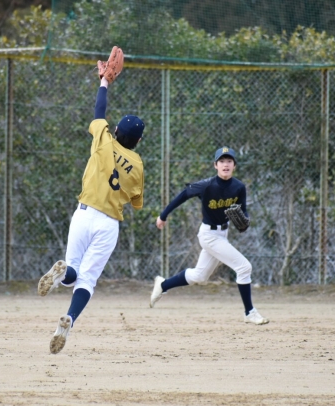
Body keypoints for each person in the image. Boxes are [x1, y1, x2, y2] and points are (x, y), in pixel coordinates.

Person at [37, 62, 145, 354]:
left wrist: (104, 82)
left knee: (71, 272)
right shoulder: (137, 164)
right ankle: (69, 319)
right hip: (109, 224)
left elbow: (99, 111)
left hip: (84, 214)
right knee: (87, 280)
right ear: (137, 141)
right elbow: (137, 202)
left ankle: (61, 272)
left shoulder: (103, 139)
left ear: (116, 130)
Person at [149, 146, 269, 325]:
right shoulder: (206, 185)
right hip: (209, 235)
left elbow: (243, 211)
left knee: (200, 276)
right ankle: (249, 312)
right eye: (222, 161)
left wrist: (245, 221)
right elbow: (183, 195)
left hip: (223, 234)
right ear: (215, 165)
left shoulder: (239, 187)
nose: (225, 164)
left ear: (234, 165)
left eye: (229, 161)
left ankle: (163, 285)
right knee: (244, 267)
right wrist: (163, 215)